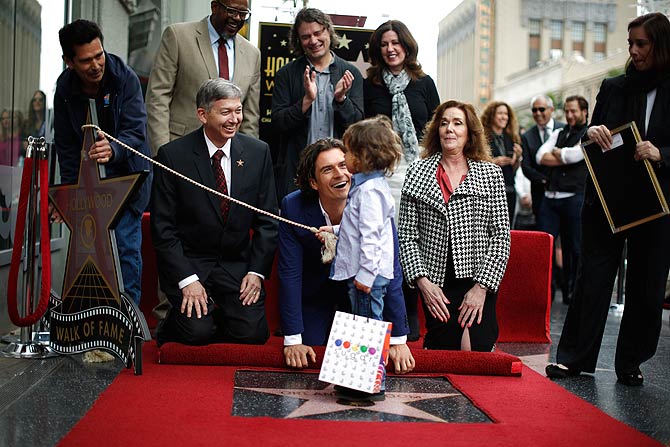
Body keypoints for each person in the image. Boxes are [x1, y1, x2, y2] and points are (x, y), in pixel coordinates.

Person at [546, 12, 670, 386]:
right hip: (607, 200)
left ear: (660, 45)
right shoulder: (614, 87)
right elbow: (591, 138)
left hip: (657, 202)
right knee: (593, 279)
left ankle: (630, 361)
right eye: (630, 43)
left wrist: (661, 152)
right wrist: (593, 130)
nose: (633, 51)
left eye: (641, 44)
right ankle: (573, 359)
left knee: (647, 285)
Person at [151, 78, 278, 346]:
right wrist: (186, 280)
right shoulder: (173, 156)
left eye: (238, 110)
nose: (235, 119)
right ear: (202, 115)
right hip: (191, 265)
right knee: (197, 334)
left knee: (253, 334)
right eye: (225, 112)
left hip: (237, 266)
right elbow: (163, 229)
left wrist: (256, 272)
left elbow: (268, 221)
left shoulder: (258, 153)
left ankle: (217, 318)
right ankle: (187, 322)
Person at [278, 137, 414, 375]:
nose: (340, 174)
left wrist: (398, 339)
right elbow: (290, 273)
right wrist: (292, 339)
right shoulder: (293, 207)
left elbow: (389, 269)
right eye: (327, 170)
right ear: (313, 182)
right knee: (310, 343)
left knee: (373, 349)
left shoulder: (374, 201)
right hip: (317, 296)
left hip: (365, 296)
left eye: (343, 165)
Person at [53, 19, 152, 306]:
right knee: (88, 258)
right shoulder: (64, 88)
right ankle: (94, 324)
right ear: (69, 62)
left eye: (99, 55)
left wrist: (114, 151)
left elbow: (136, 132)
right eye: (86, 60)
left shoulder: (125, 77)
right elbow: (67, 148)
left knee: (124, 253)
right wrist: (68, 193)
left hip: (127, 182)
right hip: (87, 190)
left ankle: (127, 328)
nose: (97, 64)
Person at [398, 100, 510, 352]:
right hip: (436, 281)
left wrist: (481, 288)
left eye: (457, 123)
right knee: (444, 351)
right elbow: (406, 236)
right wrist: (423, 283)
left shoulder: (490, 173)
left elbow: (501, 237)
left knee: (474, 350)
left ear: (469, 132)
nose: (449, 128)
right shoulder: (417, 171)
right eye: (444, 123)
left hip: (477, 278)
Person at [363, 19, 440, 341]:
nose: (391, 49)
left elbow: (437, 128)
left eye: (396, 43)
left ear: (406, 46)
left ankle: (408, 316)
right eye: (384, 44)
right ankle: (382, 315)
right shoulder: (370, 85)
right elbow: (362, 130)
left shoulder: (424, 83)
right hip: (383, 174)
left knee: (413, 240)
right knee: (386, 241)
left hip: (419, 170)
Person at [145, 0, 260, 155]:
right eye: (232, 11)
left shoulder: (253, 54)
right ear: (214, 6)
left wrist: (247, 160)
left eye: (243, 14)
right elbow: (157, 98)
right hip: (181, 150)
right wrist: (162, 154)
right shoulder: (178, 36)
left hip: (227, 159)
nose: (238, 18)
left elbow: (250, 118)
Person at [272, 7, 364, 200]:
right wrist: (306, 101)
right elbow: (278, 124)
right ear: (298, 41)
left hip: (340, 174)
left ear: (328, 31)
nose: (313, 41)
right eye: (305, 37)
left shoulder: (351, 73)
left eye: (317, 33)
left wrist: (341, 99)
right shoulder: (286, 74)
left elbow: (357, 127)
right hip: (298, 174)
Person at [535, 95, 589, 304]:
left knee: (574, 248)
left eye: (573, 111)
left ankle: (572, 294)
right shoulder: (559, 132)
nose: (569, 115)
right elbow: (541, 156)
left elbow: (575, 156)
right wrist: (563, 155)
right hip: (550, 198)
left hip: (574, 198)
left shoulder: (589, 133)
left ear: (584, 112)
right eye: (566, 111)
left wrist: (559, 154)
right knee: (543, 246)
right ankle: (544, 292)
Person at [521, 95, 565, 219]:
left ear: (551, 109)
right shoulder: (527, 136)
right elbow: (525, 166)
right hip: (540, 194)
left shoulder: (564, 129)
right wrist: (544, 180)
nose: (538, 113)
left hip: (565, 193)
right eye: (534, 110)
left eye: (541, 109)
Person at [481, 101, 523, 223]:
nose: (504, 117)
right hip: (489, 191)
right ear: (491, 115)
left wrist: (518, 158)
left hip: (509, 190)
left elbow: (514, 169)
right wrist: (494, 162)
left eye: (506, 114)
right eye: (500, 113)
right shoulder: (483, 137)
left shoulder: (512, 138)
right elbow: (475, 163)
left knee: (508, 230)